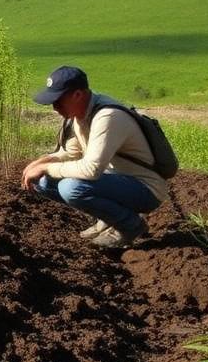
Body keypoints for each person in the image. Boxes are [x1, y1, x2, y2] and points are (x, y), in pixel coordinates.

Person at [20, 66, 168, 248]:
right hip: (117, 181)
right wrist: (42, 162)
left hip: (145, 188)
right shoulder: (80, 115)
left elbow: (91, 169)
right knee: (44, 182)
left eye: (58, 101)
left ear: (77, 95)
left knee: (71, 188)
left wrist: (47, 168)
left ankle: (130, 225)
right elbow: (73, 153)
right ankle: (107, 219)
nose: (54, 107)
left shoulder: (107, 117)